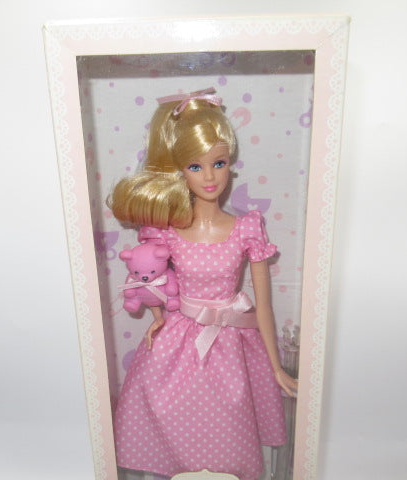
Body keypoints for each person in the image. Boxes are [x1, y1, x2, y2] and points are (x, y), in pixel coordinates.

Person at [108, 88, 298, 480]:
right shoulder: (168, 230)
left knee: (230, 422)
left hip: (232, 342)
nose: (210, 177)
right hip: (180, 338)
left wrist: (276, 366)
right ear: (180, 171)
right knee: (169, 408)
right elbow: (153, 278)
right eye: (196, 166)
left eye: (219, 163)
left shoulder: (247, 227)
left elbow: (263, 306)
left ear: (231, 164)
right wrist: (158, 317)